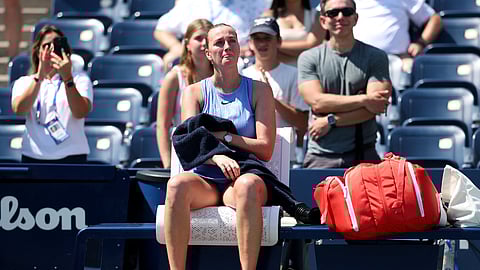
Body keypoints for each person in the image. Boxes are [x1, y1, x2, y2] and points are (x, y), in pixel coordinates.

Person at [164, 23, 277, 270]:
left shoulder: (260, 90)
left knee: (247, 185)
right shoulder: (194, 92)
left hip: (244, 178)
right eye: (219, 43)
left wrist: (225, 137)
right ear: (207, 53)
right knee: (175, 186)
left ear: (239, 47)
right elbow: (187, 140)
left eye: (232, 41)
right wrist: (216, 157)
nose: (227, 47)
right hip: (206, 181)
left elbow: (265, 148)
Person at [298, 0, 392, 169]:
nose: (340, 17)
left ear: (355, 18)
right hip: (321, 155)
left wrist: (331, 120)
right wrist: (364, 100)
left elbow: (377, 106)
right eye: (333, 13)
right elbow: (317, 102)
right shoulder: (309, 57)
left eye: (347, 12)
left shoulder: (376, 56)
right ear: (323, 21)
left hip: (364, 154)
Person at [11, 25, 93, 163]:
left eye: (56, 45)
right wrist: (39, 77)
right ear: (38, 51)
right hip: (33, 156)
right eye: (46, 46)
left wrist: (67, 78)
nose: (51, 50)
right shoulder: (24, 82)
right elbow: (19, 110)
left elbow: (80, 112)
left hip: (72, 156)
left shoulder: (80, 79)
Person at [242, 17, 308, 165]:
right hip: (250, 157)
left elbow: (303, 123)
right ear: (250, 43)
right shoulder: (242, 76)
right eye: (257, 39)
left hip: (285, 156)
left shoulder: (293, 74)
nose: (262, 43)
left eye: (267, 38)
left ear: (279, 41)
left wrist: (270, 98)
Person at [156, 19, 214, 168]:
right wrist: (168, 164)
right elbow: (162, 125)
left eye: (207, 39)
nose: (203, 43)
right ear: (187, 44)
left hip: (217, 150)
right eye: (198, 38)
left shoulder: (222, 76)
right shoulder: (174, 77)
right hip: (185, 153)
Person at [153, 0, 273, 70]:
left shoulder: (258, 3)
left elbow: (267, 33)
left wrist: (250, 48)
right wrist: (176, 47)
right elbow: (161, 29)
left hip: (239, 64)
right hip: (197, 64)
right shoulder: (190, 3)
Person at [264, 0, 324, 65]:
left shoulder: (316, 15)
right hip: (276, 72)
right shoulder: (269, 15)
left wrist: (274, 45)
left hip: (307, 72)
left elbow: (312, 47)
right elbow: (262, 44)